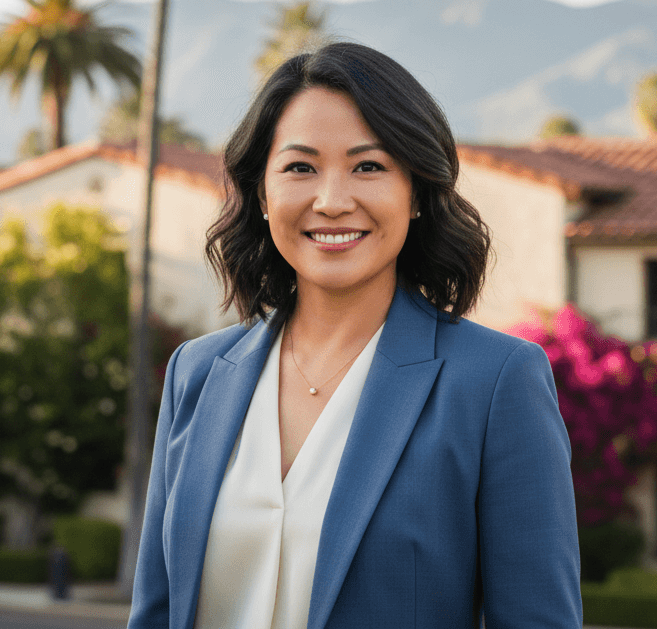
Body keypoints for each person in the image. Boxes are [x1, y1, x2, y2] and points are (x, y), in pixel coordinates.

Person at [128, 42, 581, 629]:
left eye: (369, 166)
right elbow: (157, 613)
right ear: (262, 194)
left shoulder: (496, 382)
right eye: (300, 167)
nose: (332, 201)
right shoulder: (197, 372)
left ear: (415, 191)